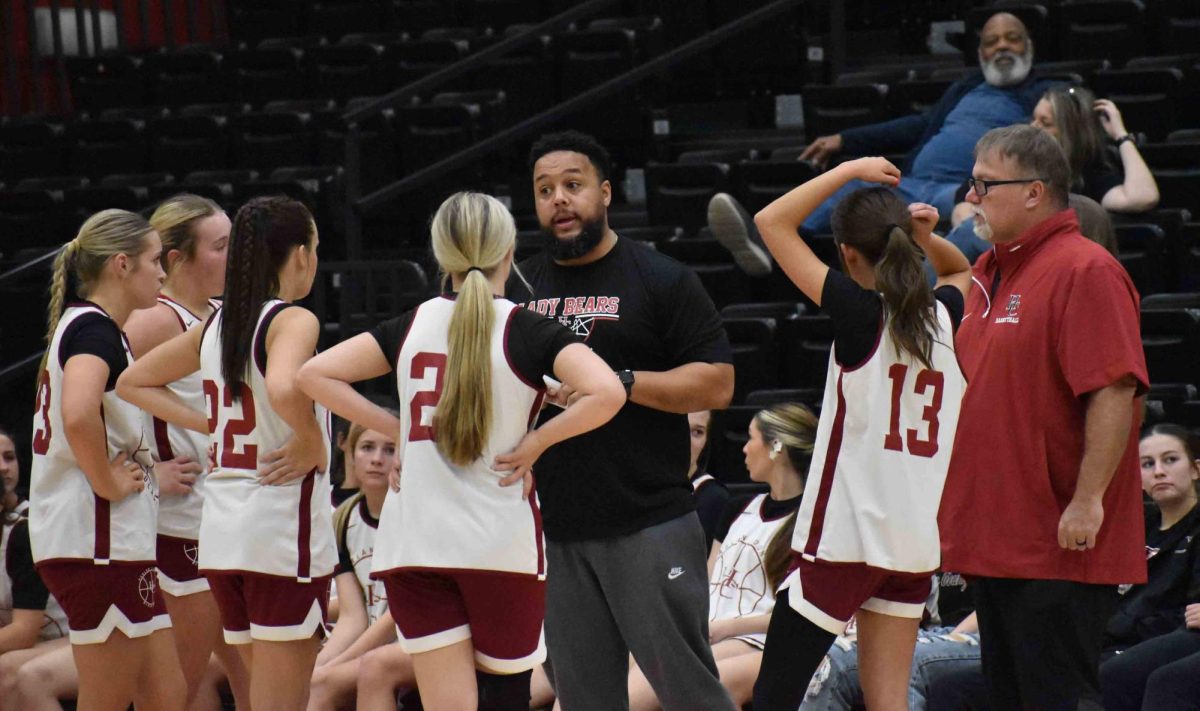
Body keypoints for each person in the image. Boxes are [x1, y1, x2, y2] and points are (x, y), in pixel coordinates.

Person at [297, 191, 626, 709]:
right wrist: (537, 441)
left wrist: (397, 428)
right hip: (498, 544)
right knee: (505, 697)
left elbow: (313, 374)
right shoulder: (527, 327)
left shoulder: (410, 323)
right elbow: (609, 392)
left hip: (416, 546)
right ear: (509, 247)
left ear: (440, 252)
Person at [509, 130, 737, 711]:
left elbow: (717, 381)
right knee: (582, 700)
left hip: (649, 522)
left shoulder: (659, 277)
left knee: (688, 692)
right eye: (544, 190)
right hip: (557, 531)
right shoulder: (516, 288)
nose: (558, 199)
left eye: (572, 185)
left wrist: (619, 385)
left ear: (605, 193)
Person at [748, 156, 973, 711]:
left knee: (773, 696)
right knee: (888, 704)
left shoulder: (859, 314)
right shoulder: (944, 318)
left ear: (847, 254)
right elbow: (962, 272)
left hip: (846, 541)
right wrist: (929, 238)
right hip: (913, 544)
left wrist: (848, 170)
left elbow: (770, 222)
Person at [938, 124, 1148, 711]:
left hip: (1057, 540)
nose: (972, 195)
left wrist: (1087, 501)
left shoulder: (1086, 269)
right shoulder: (988, 272)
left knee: (1056, 699)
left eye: (984, 183)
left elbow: (1113, 390)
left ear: (1034, 191)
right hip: (996, 538)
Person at [117, 196, 334, 711]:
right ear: (300, 255)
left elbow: (132, 381)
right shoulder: (291, 319)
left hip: (222, 536)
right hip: (280, 534)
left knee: (257, 694)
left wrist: (214, 425)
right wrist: (310, 439)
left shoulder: (216, 325)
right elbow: (283, 386)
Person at [707, 11, 1054, 277]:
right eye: (993, 41)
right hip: (915, 183)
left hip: (966, 192)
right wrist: (845, 139)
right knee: (855, 185)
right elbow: (917, 125)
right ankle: (768, 243)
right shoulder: (966, 87)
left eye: (1012, 38)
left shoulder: (1044, 96)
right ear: (980, 52)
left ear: (1030, 46)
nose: (1002, 47)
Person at [29, 209, 186, 710]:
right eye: (155, 261)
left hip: (113, 542)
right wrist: (107, 482)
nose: (163, 273)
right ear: (122, 265)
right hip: (96, 541)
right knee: (107, 698)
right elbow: (78, 414)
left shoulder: (96, 328)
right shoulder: (94, 331)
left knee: (166, 693)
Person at [122, 194, 249, 710]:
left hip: (224, 518)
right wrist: (148, 467)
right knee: (175, 690)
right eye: (221, 246)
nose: (233, 257)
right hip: (179, 527)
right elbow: (92, 409)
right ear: (177, 259)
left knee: (257, 679)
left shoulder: (224, 313)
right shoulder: (154, 320)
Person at [628, 402, 815, 710]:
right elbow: (706, 583)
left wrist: (727, 628)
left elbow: (804, 613)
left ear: (776, 448)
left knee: (672, 680)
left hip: (756, 638)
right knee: (600, 667)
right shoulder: (738, 508)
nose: (743, 448)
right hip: (711, 628)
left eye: (751, 438)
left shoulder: (810, 523)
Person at [945, 85, 1159, 260]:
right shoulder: (1009, 164)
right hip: (1003, 250)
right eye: (1034, 119)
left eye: (1045, 123)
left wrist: (1122, 136)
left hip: (1052, 257)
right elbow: (962, 211)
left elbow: (1143, 197)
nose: (1034, 127)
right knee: (965, 233)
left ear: (1072, 133)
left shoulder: (1090, 172)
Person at [1099, 423, 1200, 711]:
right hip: (1114, 636)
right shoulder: (1132, 528)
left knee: (1116, 674)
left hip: (1164, 637)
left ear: (1195, 469)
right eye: (1147, 464)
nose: (1158, 471)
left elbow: (1188, 614)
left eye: (1170, 460)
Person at [308, 419, 404, 710]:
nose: (377, 459)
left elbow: (396, 616)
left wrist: (332, 669)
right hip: (371, 638)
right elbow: (353, 616)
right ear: (350, 454)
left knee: (324, 684)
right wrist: (322, 664)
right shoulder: (343, 517)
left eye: (390, 450)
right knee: (310, 678)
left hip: (409, 640)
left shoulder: (412, 515)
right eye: (367, 448)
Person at [689, 410, 731, 551]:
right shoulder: (637, 489)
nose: (686, 442)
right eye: (679, 429)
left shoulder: (714, 499)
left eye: (697, 432)